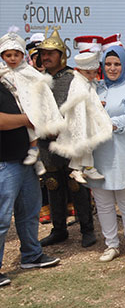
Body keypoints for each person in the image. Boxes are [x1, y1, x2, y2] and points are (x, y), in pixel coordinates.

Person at [34, 31, 97, 248]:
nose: (46, 57)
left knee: (76, 183)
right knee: (52, 184)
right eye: (43, 54)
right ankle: (58, 229)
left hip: (70, 140)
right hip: (47, 142)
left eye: (51, 53)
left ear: (61, 55)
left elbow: (80, 109)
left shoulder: (74, 78)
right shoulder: (39, 79)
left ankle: (87, 229)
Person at [0, 77, 61, 286]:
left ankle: (31, 255)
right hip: (4, 162)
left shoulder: (7, 84)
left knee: (29, 211)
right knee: (2, 218)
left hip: (24, 158)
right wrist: (27, 119)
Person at [91, 46, 125, 262]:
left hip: (122, 151)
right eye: (108, 64)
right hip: (99, 152)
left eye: (117, 64)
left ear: (123, 65)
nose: (112, 68)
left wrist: (105, 123)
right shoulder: (96, 88)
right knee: (102, 202)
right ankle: (111, 244)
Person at [0, 31, 64, 175]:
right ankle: (37, 159)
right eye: (8, 55)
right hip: (16, 117)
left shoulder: (28, 72)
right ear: (2, 56)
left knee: (35, 127)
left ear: (23, 56)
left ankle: (37, 155)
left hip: (30, 104)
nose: (12, 59)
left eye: (16, 55)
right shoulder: (2, 72)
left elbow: (43, 89)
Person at [49, 48, 113, 185]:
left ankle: (81, 168)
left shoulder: (85, 82)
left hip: (87, 117)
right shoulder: (78, 83)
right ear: (79, 70)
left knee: (86, 144)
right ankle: (80, 168)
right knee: (83, 143)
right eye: (88, 73)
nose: (92, 75)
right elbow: (78, 102)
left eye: (94, 72)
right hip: (80, 118)